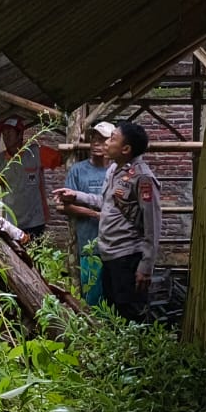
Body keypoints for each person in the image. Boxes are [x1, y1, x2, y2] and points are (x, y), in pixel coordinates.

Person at [54, 121, 160, 320]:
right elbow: (105, 202)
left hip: (128, 257)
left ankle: (137, 351)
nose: (105, 144)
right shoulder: (114, 171)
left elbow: (153, 226)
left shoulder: (143, 179)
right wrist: (76, 195)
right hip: (109, 256)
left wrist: (146, 267)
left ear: (126, 149)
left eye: (112, 139)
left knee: (131, 314)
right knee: (112, 312)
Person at [60, 121, 115, 305]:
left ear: (112, 142)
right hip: (89, 245)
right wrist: (95, 215)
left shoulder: (117, 171)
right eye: (94, 138)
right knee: (92, 298)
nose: (96, 143)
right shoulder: (78, 170)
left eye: (102, 139)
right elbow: (67, 206)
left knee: (115, 300)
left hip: (116, 247)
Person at [0, 117, 47, 241]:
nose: (6, 136)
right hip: (12, 223)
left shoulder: (36, 153)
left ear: (20, 135)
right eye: (4, 133)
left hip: (35, 221)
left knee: (36, 257)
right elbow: (1, 185)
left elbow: (62, 157)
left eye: (10, 133)